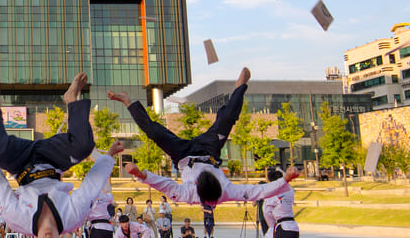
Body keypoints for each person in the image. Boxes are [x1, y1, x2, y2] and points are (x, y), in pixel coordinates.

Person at [0, 72, 115, 238]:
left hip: (22, 164)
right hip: (53, 161)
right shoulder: (73, 217)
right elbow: (91, 187)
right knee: (84, 146)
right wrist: (108, 157)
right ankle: (71, 99)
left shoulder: (18, 221)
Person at [112, 69, 300, 208]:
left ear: (197, 186)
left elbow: (164, 184)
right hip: (210, 152)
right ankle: (240, 86)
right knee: (227, 119)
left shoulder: (187, 195)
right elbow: (258, 191)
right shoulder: (227, 191)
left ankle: (127, 101)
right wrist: (286, 179)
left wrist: (140, 174)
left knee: (155, 133)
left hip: (183, 155)